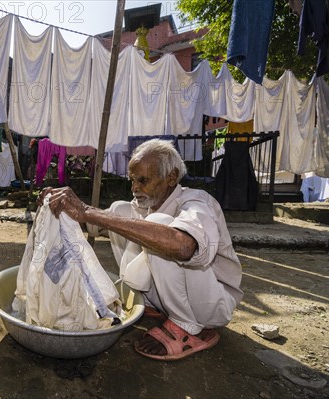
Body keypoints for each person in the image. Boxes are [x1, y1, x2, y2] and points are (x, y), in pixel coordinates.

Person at [39, 139, 243, 361]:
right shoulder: (140, 206)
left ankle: (190, 326)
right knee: (118, 211)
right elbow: (92, 223)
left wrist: (87, 211)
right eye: (133, 180)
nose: (135, 188)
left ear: (171, 177)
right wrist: (61, 207)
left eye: (143, 180)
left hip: (209, 305)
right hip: (165, 296)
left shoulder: (196, 201)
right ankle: (153, 303)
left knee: (160, 228)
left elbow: (184, 246)